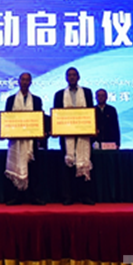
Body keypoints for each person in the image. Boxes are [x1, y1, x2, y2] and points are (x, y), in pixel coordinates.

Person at [53, 67, 96, 205]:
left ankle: (85, 195)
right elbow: (57, 115)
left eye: (74, 75)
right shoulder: (59, 95)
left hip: (83, 134)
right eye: (69, 75)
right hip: (66, 136)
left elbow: (91, 112)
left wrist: (92, 127)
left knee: (84, 162)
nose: (71, 77)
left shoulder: (87, 92)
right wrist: (55, 129)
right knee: (68, 166)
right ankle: (68, 196)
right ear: (66, 78)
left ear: (78, 77)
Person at [4, 72, 46, 206]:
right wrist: (4, 131)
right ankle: (16, 196)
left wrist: (41, 131)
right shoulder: (11, 100)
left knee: (33, 169)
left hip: (31, 141)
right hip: (15, 140)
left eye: (27, 80)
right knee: (16, 165)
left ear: (31, 83)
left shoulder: (36, 100)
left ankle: (34, 196)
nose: (25, 82)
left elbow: (39, 119)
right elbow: (7, 118)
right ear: (18, 81)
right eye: (23, 79)